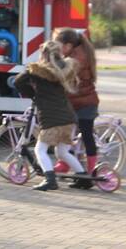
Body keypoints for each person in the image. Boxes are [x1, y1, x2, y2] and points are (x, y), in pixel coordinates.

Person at [13, 40, 85, 191]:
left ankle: (50, 180)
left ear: (43, 53)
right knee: (63, 151)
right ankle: (83, 177)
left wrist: (31, 94)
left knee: (40, 150)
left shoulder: (36, 70)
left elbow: (17, 82)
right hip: (69, 118)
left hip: (52, 118)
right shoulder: (63, 70)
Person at [55, 27, 100, 184]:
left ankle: (91, 169)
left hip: (85, 103)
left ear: (68, 45)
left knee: (86, 135)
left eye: (60, 46)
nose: (60, 49)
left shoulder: (77, 57)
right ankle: (66, 162)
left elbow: (64, 72)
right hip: (77, 103)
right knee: (70, 133)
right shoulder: (74, 53)